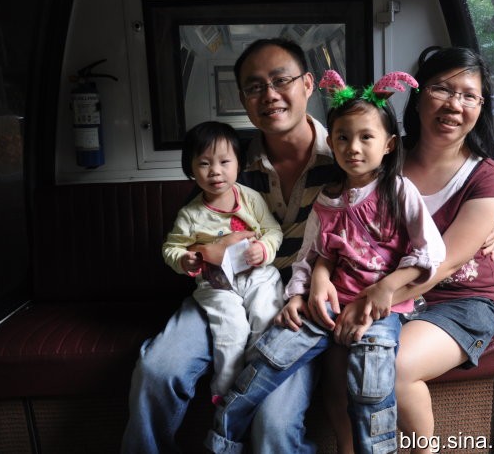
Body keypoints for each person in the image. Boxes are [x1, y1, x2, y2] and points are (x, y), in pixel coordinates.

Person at [203, 71, 446, 454]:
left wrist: (385, 288)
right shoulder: (327, 200)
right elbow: (313, 254)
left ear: (388, 144)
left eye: (366, 137)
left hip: (379, 311)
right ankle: (221, 443)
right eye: (343, 138)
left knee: (370, 388)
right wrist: (301, 294)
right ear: (330, 142)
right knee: (266, 362)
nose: (353, 147)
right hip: (327, 305)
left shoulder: (399, 192)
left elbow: (429, 252)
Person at [121, 37, 337, 454]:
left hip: (295, 305)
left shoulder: (347, 157)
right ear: (242, 99)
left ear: (308, 84)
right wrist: (208, 252)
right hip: (221, 289)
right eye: (255, 86)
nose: (269, 95)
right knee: (157, 370)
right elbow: (192, 236)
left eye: (281, 80)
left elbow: (379, 231)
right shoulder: (229, 163)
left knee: (274, 426)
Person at [332, 46, 494, 454]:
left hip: (461, 301)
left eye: (469, 96)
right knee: (338, 364)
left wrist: (367, 303)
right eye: (442, 89)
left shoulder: (484, 177)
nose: (454, 105)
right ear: (418, 96)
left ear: (480, 107)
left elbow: (443, 264)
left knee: (392, 367)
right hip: (395, 298)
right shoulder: (386, 160)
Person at [162, 121, 284, 399]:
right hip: (217, 282)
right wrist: (185, 259)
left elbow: (272, 230)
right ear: (191, 169)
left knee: (265, 319)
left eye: (224, 162)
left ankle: (255, 379)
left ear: (238, 164)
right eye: (204, 163)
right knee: (232, 331)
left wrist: (264, 249)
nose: (215, 171)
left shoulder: (250, 198)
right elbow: (171, 247)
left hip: (257, 275)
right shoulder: (190, 215)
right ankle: (225, 392)